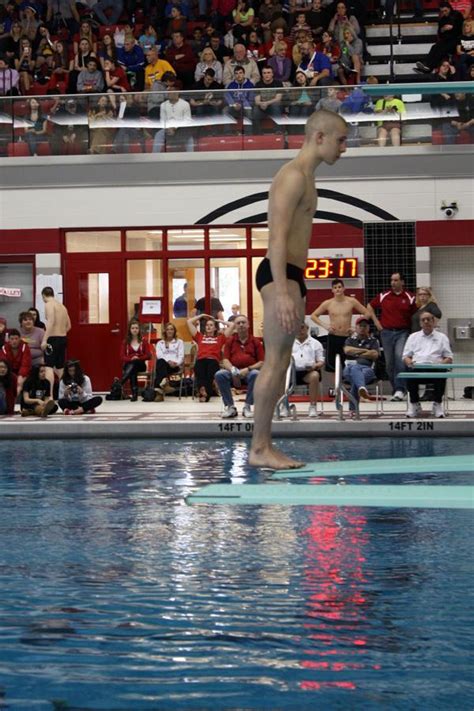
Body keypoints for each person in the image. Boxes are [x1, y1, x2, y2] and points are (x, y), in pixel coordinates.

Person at [249, 110, 348, 470]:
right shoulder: (292, 176)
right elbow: (275, 238)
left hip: (290, 275)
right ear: (319, 136)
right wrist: (283, 289)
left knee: (281, 363)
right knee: (274, 363)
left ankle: (265, 446)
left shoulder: (307, 177)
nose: (345, 148)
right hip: (279, 275)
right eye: (341, 140)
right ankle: (259, 449)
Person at [310, 278, 369, 395]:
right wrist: (326, 326)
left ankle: (352, 387)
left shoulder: (351, 301)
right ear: (332, 290)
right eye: (335, 287)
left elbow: (367, 313)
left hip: (347, 337)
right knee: (333, 364)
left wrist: (356, 327)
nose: (337, 289)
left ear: (344, 288)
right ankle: (337, 388)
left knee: (348, 363)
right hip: (334, 336)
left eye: (339, 287)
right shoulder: (328, 303)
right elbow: (314, 315)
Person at [366, 272, 417, 402]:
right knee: (389, 364)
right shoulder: (384, 296)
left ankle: (400, 389)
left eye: (396, 280)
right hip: (386, 332)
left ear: (402, 282)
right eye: (391, 280)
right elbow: (369, 306)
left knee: (400, 359)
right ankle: (397, 390)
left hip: (402, 332)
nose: (393, 283)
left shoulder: (410, 297)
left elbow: (416, 315)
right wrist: (377, 323)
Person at [403, 312, 453, 419]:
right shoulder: (413, 337)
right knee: (409, 373)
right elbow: (406, 356)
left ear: (433, 321)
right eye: (423, 320)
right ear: (420, 323)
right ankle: (414, 404)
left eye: (428, 319)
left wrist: (441, 365)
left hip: (435, 368)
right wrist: (409, 363)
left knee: (441, 374)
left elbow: (448, 357)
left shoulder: (442, 337)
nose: (426, 322)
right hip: (417, 368)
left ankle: (437, 404)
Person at [215, 315, 265, 418]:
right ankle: (230, 407)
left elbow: (261, 362)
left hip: (249, 372)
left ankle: (247, 407)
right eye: (238, 323)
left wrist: (248, 369)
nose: (241, 325)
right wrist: (233, 370)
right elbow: (225, 360)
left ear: (248, 325)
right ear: (235, 326)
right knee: (219, 374)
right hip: (233, 372)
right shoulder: (230, 341)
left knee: (255, 374)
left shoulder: (255, 341)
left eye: (243, 322)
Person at [187, 313, 234, 402]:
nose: (208, 327)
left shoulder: (220, 338)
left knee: (210, 372)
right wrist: (201, 316)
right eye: (207, 325)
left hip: (213, 360)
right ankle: (204, 391)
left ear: (215, 328)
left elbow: (232, 325)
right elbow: (189, 322)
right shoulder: (200, 337)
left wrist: (219, 321)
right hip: (201, 360)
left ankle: (203, 392)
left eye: (211, 325)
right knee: (199, 369)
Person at [342, 316, 380, 416]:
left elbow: (375, 354)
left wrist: (355, 353)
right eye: (360, 325)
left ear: (368, 328)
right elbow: (347, 350)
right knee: (355, 369)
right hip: (348, 370)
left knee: (356, 376)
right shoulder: (350, 339)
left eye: (365, 326)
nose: (362, 328)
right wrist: (366, 351)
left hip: (367, 370)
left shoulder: (373, 340)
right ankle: (362, 388)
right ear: (356, 327)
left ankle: (353, 409)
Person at [291, 321, 325, 417]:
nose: (299, 330)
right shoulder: (288, 343)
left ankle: (313, 407)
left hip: (307, 373)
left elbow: (321, 361)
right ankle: (283, 405)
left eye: (302, 327)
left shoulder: (316, 343)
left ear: (307, 328)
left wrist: (315, 366)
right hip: (291, 373)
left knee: (315, 375)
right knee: (278, 375)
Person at [40, 286, 71, 383]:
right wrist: (61, 333)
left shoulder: (49, 304)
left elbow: (51, 322)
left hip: (53, 339)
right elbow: (69, 326)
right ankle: (63, 392)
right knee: (60, 367)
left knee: (48, 367)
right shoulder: (62, 307)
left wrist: (45, 340)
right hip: (63, 338)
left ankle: (50, 395)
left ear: (44, 296)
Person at [119, 318, 153, 401]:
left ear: (139, 329)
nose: (135, 330)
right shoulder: (125, 342)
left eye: (136, 328)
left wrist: (138, 358)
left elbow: (148, 355)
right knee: (133, 369)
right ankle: (134, 394)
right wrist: (131, 359)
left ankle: (120, 383)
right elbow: (122, 356)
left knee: (134, 364)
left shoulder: (143, 341)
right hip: (129, 364)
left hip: (140, 364)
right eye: (133, 328)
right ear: (130, 330)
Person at [154, 322, 185, 395]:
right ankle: (165, 384)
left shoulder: (179, 342)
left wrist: (176, 363)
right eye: (167, 329)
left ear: (174, 331)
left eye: (171, 329)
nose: (169, 331)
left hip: (174, 366)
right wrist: (168, 361)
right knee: (160, 361)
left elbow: (181, 356)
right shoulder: (159, 343)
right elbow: (159, 355)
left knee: (160, 366)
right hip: (164, 364)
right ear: (165, 331)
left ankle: (158, 389)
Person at [1, 328, 32, 396]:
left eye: (16, 338)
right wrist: (11, 375)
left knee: (20, 382)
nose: (14, 341)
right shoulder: (4, 348)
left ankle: (15, 396)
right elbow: (4, 363)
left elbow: (26, 364)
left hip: (23, 373)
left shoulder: (25, 347)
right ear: (8, 340)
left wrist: (20, 375)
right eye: (12, 339)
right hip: (9, 372)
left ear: (20, 339)